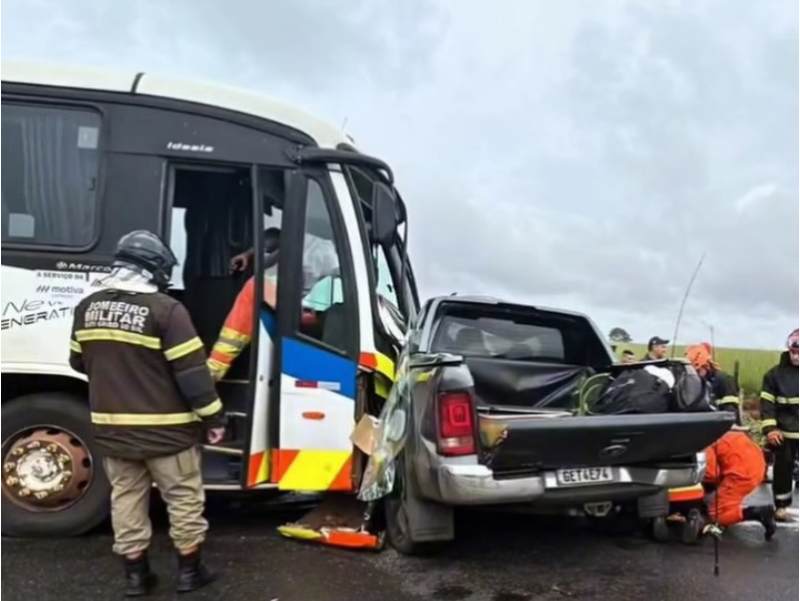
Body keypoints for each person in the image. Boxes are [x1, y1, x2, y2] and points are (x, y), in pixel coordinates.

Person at [69, 230, 224, 596]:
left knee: (126, 499)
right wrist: (213, 419)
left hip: (114, 432)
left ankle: (136, 577)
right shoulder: (166, 310)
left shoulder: (87, 308)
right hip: (168, 433)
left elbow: (77, 361)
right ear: (155, 270)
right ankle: (189, 572)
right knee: (183, 499)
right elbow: (193, 375)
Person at [208, 227, 339, 381]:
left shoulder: (326, 251)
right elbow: (273, 236)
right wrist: (248, 254)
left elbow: (273, 237)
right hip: (286, 298)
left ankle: (215, 367)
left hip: (293, 303)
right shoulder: (315, 240)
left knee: (254, 290)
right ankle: (215, 368)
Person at [703, 430, 776, 540]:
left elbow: (711, 474)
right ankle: (731, 512)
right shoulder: (723, 432)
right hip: (757, 466)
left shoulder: (705, 444)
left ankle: (758, 513)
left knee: (716, 514)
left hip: (741, 475)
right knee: (726, 499)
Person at [760, 328, 799, 521]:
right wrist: (770, 429)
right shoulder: (774, 375)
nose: (796, 354)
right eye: (794, 349)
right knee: (783, 471)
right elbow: (767, 404)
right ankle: (781, 506)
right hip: (784, 434)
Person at [685, 344, 740, 423]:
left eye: (698, 371)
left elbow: (730, 411)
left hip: (723, 425)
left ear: (706, 366)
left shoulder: (724, 380)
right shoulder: (696, 382)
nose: (696, 375)